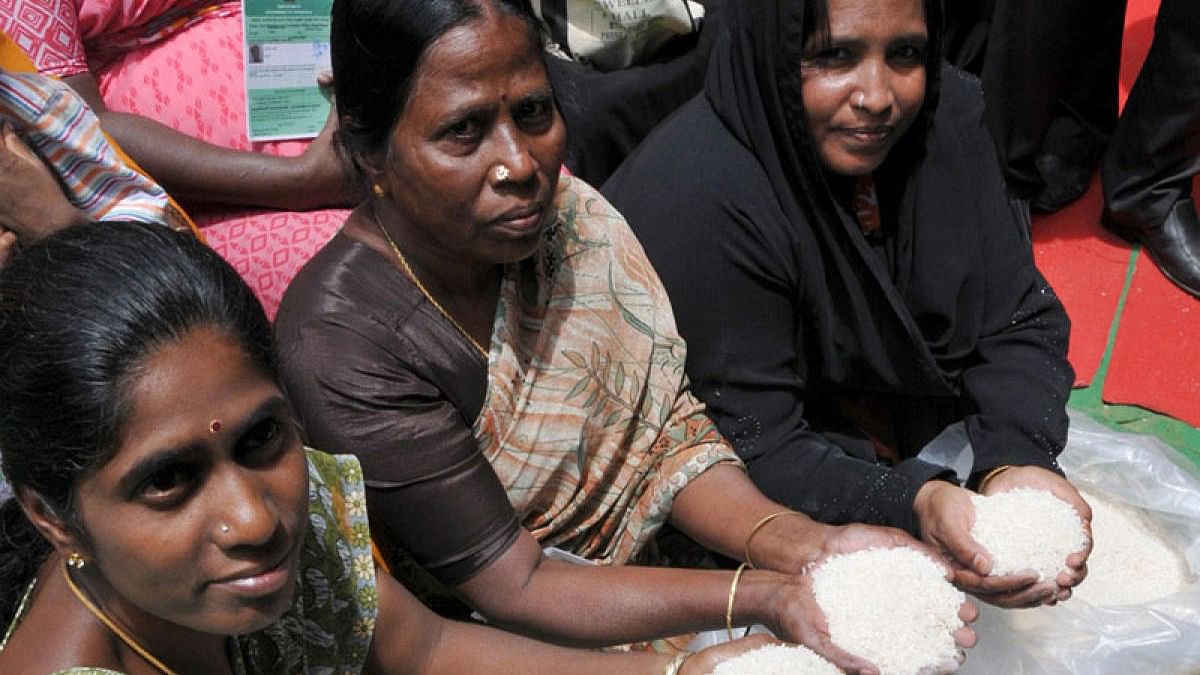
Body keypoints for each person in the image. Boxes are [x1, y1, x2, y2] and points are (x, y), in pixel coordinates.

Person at [274, 0, 976, 670]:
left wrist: (808, 547)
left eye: (534, 112)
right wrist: (761, 593)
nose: (519, 163)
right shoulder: (345, 345)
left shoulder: (568, 221)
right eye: (464, 130)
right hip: (507, 643)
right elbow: (516, 584)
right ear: (368, 150)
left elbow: (666, 438)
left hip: (660, 573)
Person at [0, 221, 772, 675]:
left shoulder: (288, 533)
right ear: (52, 516)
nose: (253, 517)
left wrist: (673, 670)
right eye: (169, 479)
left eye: (262, 436)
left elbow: (427, 646)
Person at [603, 0, 1092, 609]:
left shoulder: (948, 118)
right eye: (834, 56)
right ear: (775, 56)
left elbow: (1016, 313)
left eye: (906, 54)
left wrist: (1016, 460)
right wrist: (916, 498)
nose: (877, 96)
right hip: (759, 493)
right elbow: (753, 440)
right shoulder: (704, 194)